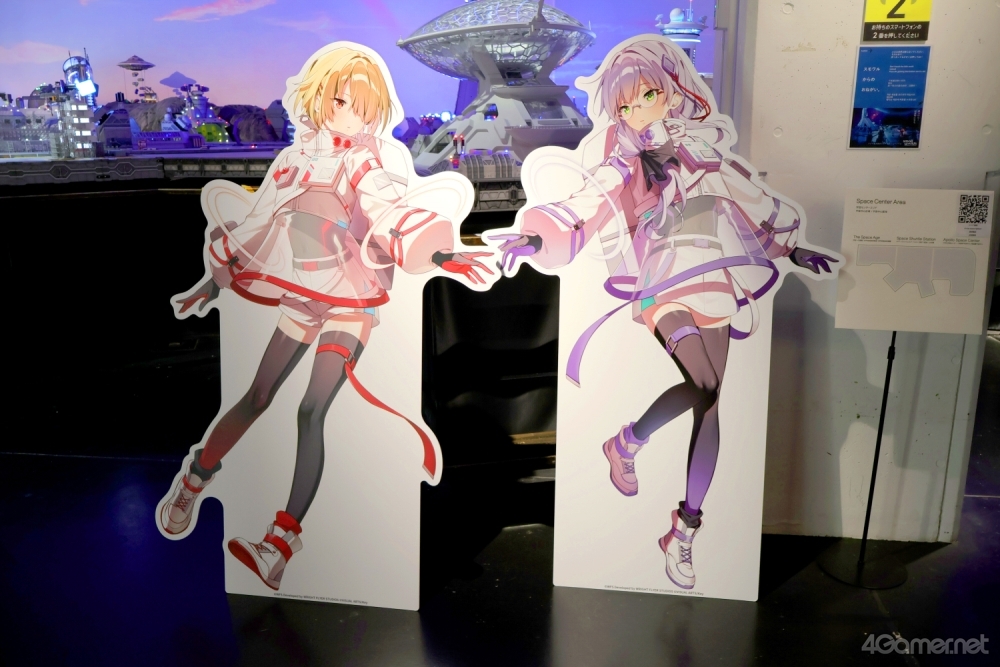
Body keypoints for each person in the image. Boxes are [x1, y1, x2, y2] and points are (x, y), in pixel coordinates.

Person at [493, 38, 836, 590]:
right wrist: (536, 237)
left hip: (714, 278)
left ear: (672, 92)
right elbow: (588, 202)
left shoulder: (706, 152)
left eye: (646, 96)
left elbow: (754, 203)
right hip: (662, 280)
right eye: (625, 105)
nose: (637, 112)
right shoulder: (625, 160)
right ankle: (629, 440)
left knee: (711, 405)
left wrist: (794, 250)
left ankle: (683, 530)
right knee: (704, 384)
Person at [157, 46, 491, 590]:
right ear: (317, 98)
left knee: (311, 411)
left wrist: (439, 254)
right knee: (257, 395)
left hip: (350, 299)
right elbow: (258, 225)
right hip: (302, 293)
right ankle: (194, 479)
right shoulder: (292, 160)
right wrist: (211, 281)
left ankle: (279, 543)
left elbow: (390, 214)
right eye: (340, 101)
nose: (349, 115)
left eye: (361, 107)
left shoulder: (364, 162)